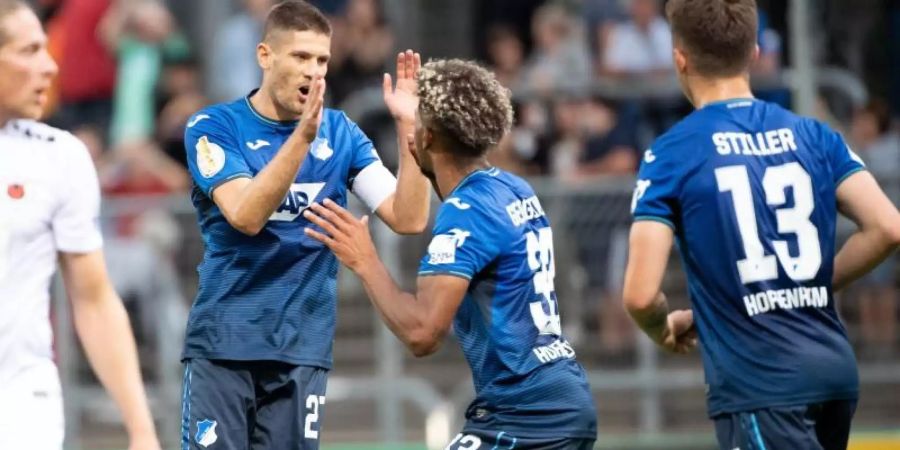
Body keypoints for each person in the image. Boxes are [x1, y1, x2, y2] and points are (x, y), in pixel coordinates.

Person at [622, 1, 900, 450]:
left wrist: (663, 329)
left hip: (763, 384)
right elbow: (888, 228)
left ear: (679, 57)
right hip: (833, 371)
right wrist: (811, 284)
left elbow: (638, 295)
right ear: (753, 50)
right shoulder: (816, 134)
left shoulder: (672, 153)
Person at [304, 59, 598, 449]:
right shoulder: (513, 188)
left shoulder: (467, 212)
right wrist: (409, 121)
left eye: (419, 124)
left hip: (528, 414)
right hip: (556, 397)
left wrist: (365, 260)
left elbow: (423, 333)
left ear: (428, 138)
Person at [179, 1, 431, 449]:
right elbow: (246, 215)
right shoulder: (214, 127)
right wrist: (301, 140)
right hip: (224, 347)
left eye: (322, 60)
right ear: (265, 56)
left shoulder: (342, 134)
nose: (314, 72)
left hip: (302, 350)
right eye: (300, 57)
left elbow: (408, 218)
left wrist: (409, 131)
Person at [0, 1, 161, 449]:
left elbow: (93, 299)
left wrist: (142, 430)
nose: (49, 66)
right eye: (29, 51)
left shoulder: (59, 157)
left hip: (22, 405)